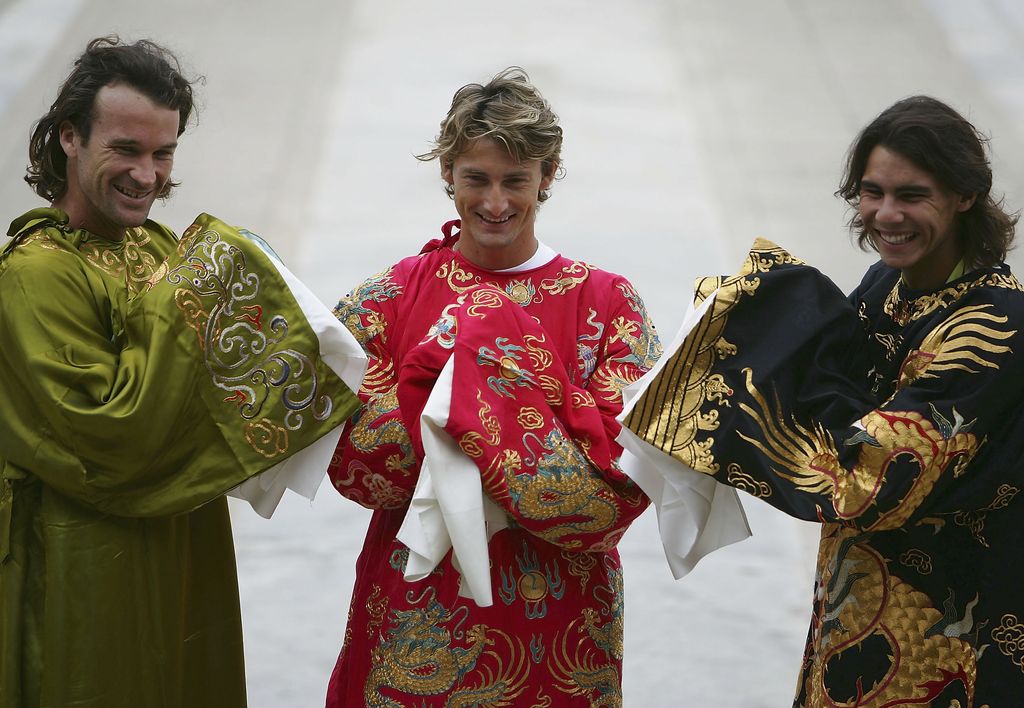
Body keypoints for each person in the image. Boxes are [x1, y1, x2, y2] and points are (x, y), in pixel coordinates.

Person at [622, 95, 1024, 706]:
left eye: (912, 196)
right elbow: (835, 389)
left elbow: (868, 481)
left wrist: (754, 356)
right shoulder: (888, 283)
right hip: (856, 600)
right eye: (872, 192)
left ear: (964, 195)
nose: (886, 215)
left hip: (950, 628)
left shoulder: (994, 323)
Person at [0, 37, 361, 707]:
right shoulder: (33, 273)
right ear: (69, 138)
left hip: (183, 538)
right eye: (126, 150)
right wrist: (203, 283)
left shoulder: (160, 246)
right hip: (85, 560)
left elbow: (233, 381)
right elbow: (109, 437)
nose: (148, 175)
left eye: (163, 153)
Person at [325, 68, 665, 706]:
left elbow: (615, 497)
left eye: (517, 181)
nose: (496, 203)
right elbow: (358, 474)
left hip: (562, 617)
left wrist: (463, 392)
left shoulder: (610, 303)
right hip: (417, 611)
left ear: (548, 176)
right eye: (476, 179)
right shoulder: (391, 296)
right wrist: (503, 416)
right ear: (448, 174)